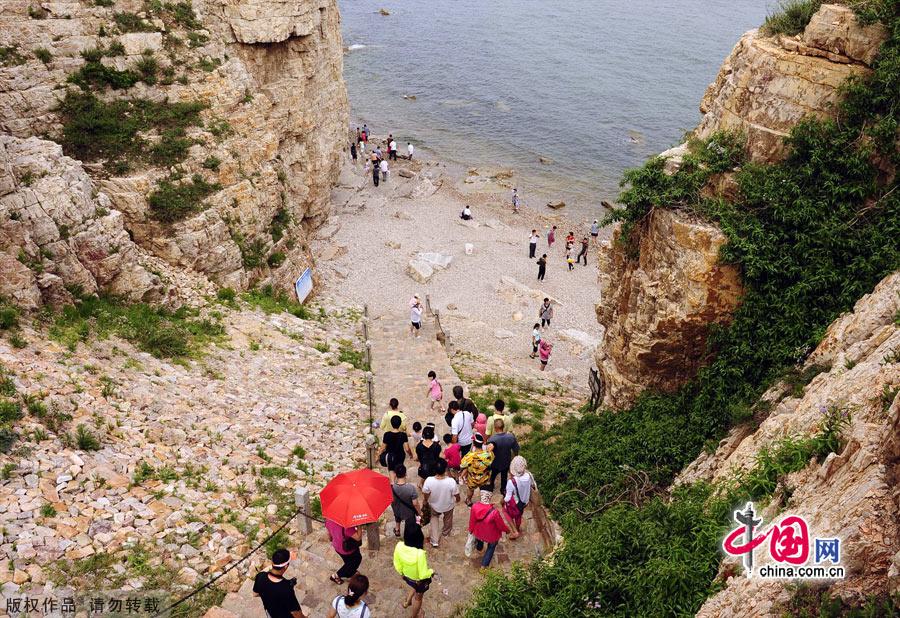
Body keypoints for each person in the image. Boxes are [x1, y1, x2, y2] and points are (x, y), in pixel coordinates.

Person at [393, 523, 433, 617]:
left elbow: (396, 563)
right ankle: (414, 616)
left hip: (407, 576)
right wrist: (431, 571)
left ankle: (407, 601)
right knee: (418, 598)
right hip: (418, 580)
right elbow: (423, 574)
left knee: (413, 586)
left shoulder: (399, 546)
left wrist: (401, 573)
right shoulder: (419, 554)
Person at [253, 548, 307, 618]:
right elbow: (296, 614)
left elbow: (255, 594)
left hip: (270, 614)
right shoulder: (287, 589)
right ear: (286, 566)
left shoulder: (260, 576)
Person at [422, 459, 459, 548]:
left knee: (434, 519)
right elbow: (456, 494)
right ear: (445, 469)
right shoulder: (451, 481)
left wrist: (426, 500)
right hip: (448, 505)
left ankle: (434, 540)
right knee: (448, 519)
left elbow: (426, 493)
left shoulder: (429, 480)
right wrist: (458, 499)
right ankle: (445, 533)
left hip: (434, 505)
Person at [468, 490, 509, 569]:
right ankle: (484, 565)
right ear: (490, 498)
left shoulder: (475, 506)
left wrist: (471, 529)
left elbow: (472, 520)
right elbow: (500, 525)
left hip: (478, 531)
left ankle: (479, 548)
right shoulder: (494, 512)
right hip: (491, 534)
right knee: (491, 547)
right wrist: (507, 530)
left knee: (479, 539)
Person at [486, 418, 519, 495]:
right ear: (503, 427)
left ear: (495, 428)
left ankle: (491, 485)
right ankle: (503, 489)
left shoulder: (492, 439)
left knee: (493, 474)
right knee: (504, 476)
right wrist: (515, 458)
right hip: (506, 461)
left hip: (495, 462)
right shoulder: (511, 437)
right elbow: (516, 449)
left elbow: (488, 453)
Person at [504, 455, 534, 538]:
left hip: (516, 503)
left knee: (505, 512)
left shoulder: (512, 482)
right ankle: (517, 527)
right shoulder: (529, 475)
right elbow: (532, 486)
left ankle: (515, 531)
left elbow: (507, 498)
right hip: (525, 502)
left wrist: (503, 500)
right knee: (519, 515)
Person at [326, 518, 362, 585]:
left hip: (337, 546)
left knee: (348, 561)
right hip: (347, 549)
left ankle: (351, 572)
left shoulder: (329, 520)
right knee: (357, 559)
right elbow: (358, 537)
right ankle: (336, 576)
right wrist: (359, 525)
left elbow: (329, 536)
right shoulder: (346, 526)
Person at [460, 434, 493, 506]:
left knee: (470, 490)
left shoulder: (469, 456)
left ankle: (468, 500)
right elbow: (491, 459)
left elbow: (462, 465)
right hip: (484, 478)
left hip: (472, 479)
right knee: (483, 490)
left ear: (474, 444)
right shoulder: (488, 455)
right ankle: (483, 502)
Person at [379, 415, 413, 481]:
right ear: (400, 424)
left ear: (391, 424)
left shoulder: (387, 434)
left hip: (390, 456)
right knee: (399, 470)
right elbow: (407, 448)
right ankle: (399, 484)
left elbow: (383, 448)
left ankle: (392, 483)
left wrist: (379, 455)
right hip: (400, 456)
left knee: (391, 469)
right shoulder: (403, 435)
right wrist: (410, 454)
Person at [391, 464, 421, 538]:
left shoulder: (392, 488)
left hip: (397, 510)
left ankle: (397, 529)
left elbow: (391, 501)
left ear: (395, 474)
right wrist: (419, 512)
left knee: (398, 515)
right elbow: (415, 503)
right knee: (410, 522)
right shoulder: (411, 488)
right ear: (405, 474)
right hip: (408, 513)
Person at [449, 387, 475, 457]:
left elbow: (455, 436)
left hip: (461, 442)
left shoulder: (454, 420)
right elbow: (472, 424)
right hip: (469, 440)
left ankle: (463, 466)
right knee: (466, 455)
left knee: (461, 455)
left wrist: (453, 446)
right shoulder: (467, 413)